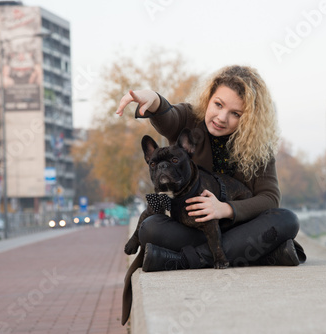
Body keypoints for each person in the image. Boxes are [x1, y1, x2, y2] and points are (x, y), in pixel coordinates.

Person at [116, 65, 306, 325]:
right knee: (149, 228)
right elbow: (167, 117)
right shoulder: (191, 118)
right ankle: (258, 255)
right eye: (218, 104)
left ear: (249, 119)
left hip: (238, 229)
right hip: (194, 230)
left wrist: (224, 209)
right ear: (209, 98)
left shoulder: (258, 147)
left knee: (287, 220)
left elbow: (270, 199)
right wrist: (155, 100)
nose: (221, 117)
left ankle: (185, 260)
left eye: (235, 113)